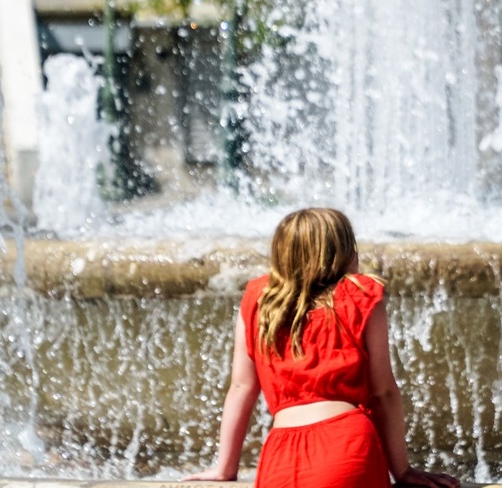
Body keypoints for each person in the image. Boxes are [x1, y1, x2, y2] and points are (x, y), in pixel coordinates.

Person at [181, 208, 459, 488]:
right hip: (347, 446)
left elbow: (241, 388)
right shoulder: (359, 296)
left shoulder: (259, 300)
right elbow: (383, 392)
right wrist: (402, 471)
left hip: (280, 456)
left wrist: (225, 468)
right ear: (342, 254)